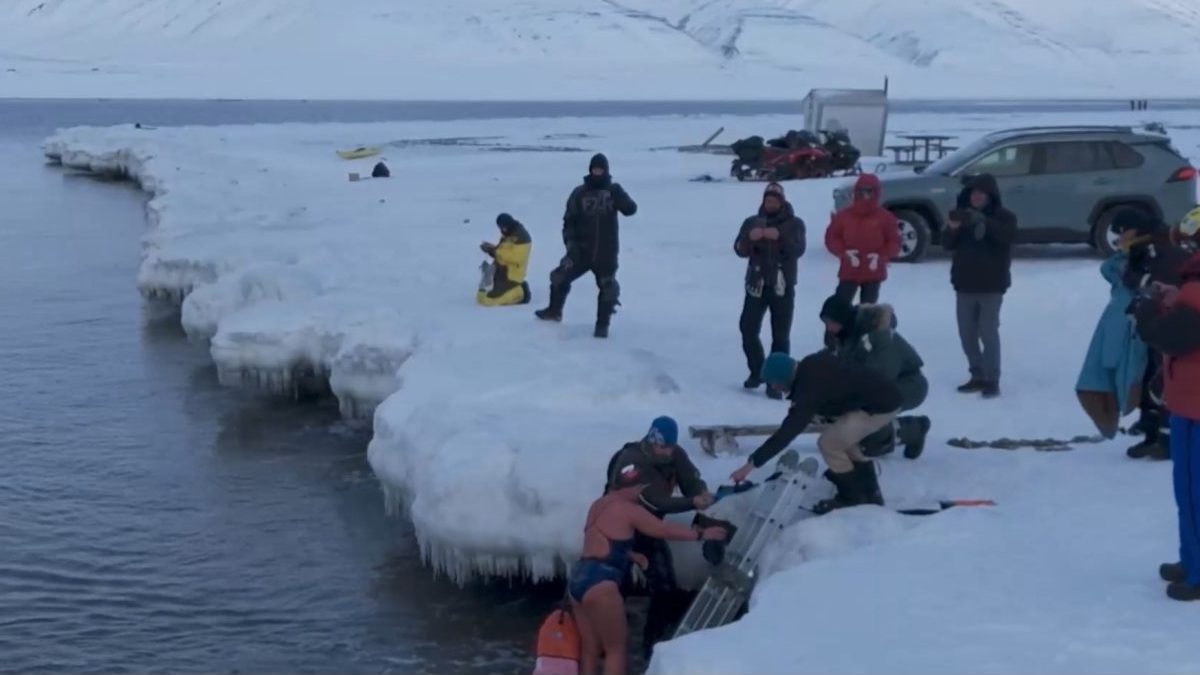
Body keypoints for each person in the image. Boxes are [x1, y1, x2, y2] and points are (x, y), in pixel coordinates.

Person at [568, 464, 726, 675]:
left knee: (589, 649)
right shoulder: (629, 509)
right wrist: (701, 534)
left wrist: (631, 555)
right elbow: (662, 530)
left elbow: (600, 541)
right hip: (601, 584)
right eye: (643, 489)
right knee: (616, 649)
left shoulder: (598, 504)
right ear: (637, 488)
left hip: (578, 580)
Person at [729, 351, 902, 514]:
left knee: (828, 444)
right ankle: (870, 492)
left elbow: (787, 432)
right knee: (842, 439)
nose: (774, 387)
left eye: (775, 382)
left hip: (879, 406)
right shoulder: (810, 364)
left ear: (784, 375)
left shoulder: (808, 389)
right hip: (882, 394)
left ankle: (851, 497)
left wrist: (752, 464)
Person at [605, 416, 711, 660]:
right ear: (652, 441)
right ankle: (606, 640)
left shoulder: (675, 454)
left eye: (671, 447)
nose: (667, 452)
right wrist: (691, 502)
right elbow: (652, 499)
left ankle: (653, 646)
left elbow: (690, 481)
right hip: (616, 528)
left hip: (649, 528)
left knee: (665, 587)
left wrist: (700, 493)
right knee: (611, 587)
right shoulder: (631, 461)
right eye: (663, 447)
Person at [1130, 252, 1200, 601]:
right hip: (1187, 403)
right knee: (1185, 490)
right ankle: (1191, 560)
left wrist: (1148, 311)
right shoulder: (1191, 290)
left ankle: (1198, 570)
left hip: (1195, 406)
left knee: (1195, 493)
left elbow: (1170, 336)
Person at [536, 153, 637, 338]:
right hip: (581, 252)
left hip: (606, 253)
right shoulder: (579, 193)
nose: (597, 172)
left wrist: (619, 196)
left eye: (600, 169)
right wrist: (571, 246)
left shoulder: (613, 191)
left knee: (608, 289)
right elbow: (569, 222)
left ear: (606, 170)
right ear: (590, 170)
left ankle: (602, 326)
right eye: (594, 169)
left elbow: (631, 210)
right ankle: (554, 311)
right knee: (559, 277)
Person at [819, 295, 931, 459]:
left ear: (843, 319)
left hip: (909, 385)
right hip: (880, 385)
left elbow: (880, 378)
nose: (828, 328)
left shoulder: (880, 336)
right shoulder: (849, 334)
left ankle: (914, 430)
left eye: (830, 322)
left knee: (867, 437)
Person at [1120, 210, 1190, 460]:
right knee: (1151, 376)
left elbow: (1159, 288)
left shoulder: (1161, 252)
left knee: (1164, 382)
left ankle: (1165, 440)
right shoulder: (1147, 249)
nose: (1118, 238)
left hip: (1172, 327)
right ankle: (1150, 429)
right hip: (1158, 326)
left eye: (1122, 231)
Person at [942, 173, 1017, 399]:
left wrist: (981, 221)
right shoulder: (963, 216)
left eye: (980, 193)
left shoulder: (1005, 217)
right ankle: (977, 374)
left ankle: (992, 379)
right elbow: (946, 244)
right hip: (964, 284)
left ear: (990, 195)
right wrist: (953, 228)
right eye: (972, 193)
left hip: (992, 285)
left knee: (988, 332)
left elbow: (1005, 238)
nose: (975, 197)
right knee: (967, 334)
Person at [735, 183, 806, 398]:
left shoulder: (794, 224)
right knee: (748, 329)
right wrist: (749, 238)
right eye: (768, 200)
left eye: (775, 200)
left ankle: (778, 380)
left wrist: (780, 237)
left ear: (782, 201)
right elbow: (739, 248)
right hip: (756, 284)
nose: (771, 203)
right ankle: (757, 371)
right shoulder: (751, 222)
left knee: (780, 335)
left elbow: (798, 249)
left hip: (782, 287)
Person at [824, 174, 900, 304]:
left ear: (875, 193)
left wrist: (880, 256)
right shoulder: (844, 216)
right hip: (849, 269)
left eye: (869, 191)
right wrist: (844, 253)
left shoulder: (885, 217)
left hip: (873, 271)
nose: (864, 195)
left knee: (867, 311)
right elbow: (832, 237)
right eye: (861, 191)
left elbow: (894, 242)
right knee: (840, 306)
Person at [476, 213, 532, 306]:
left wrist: (495, 252)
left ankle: (520, 291)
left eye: (503, 228)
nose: (501, 230)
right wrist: (491, 249)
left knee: (489, 301)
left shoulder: (522, 238)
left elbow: (516, 258)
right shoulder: (508, 233)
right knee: (481, 297)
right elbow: (502, 251)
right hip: (501, 272)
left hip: (511, 277)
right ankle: (507, 288)